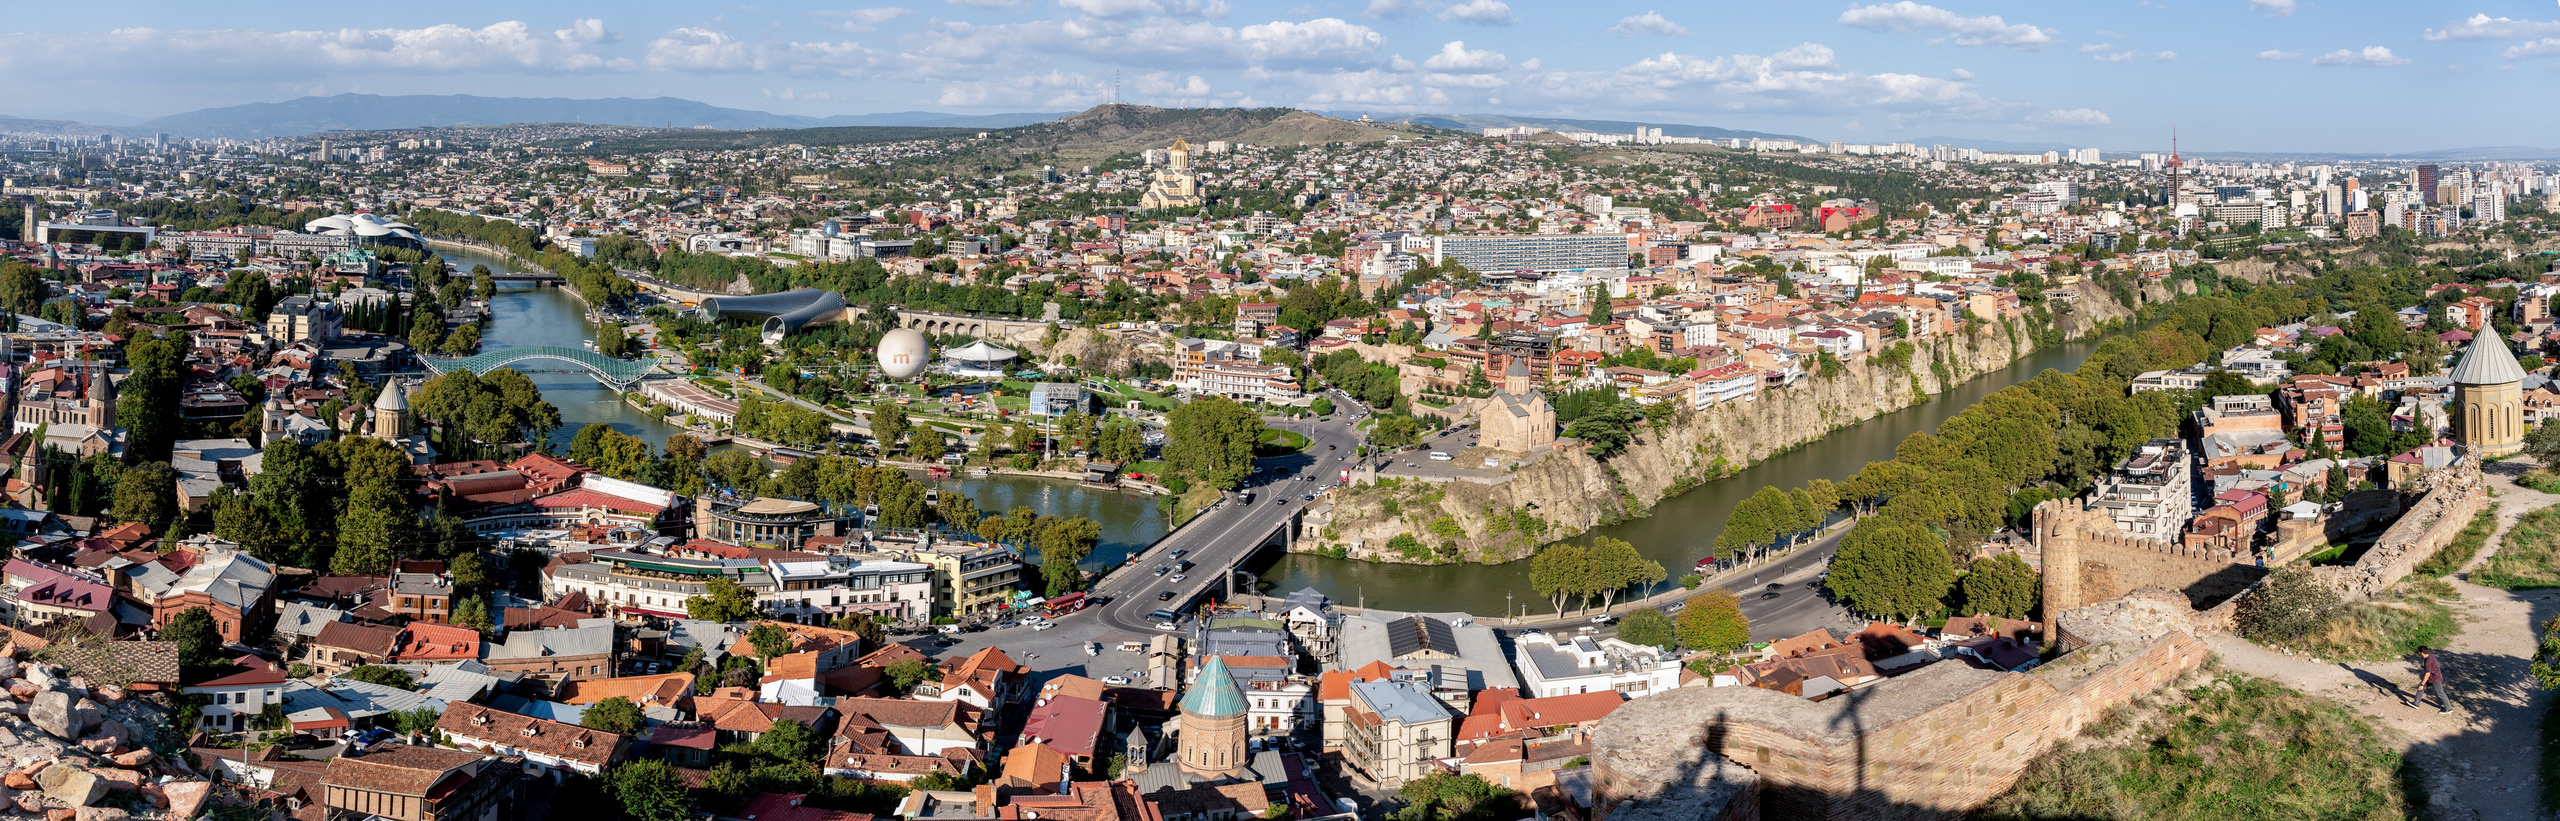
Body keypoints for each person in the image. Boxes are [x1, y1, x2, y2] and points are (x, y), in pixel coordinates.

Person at [2420, 647, 2452, 714]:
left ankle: (2448, 708)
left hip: (2434, 679)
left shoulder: (2428, 661)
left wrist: (2422, 684)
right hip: (2434, 677)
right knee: (2420, 687)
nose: (2419, 654)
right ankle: (2416, 703)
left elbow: (2427, 674)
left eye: (2419, 653)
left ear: (2421, 653)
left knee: (2440, 693)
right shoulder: (2431, 656)